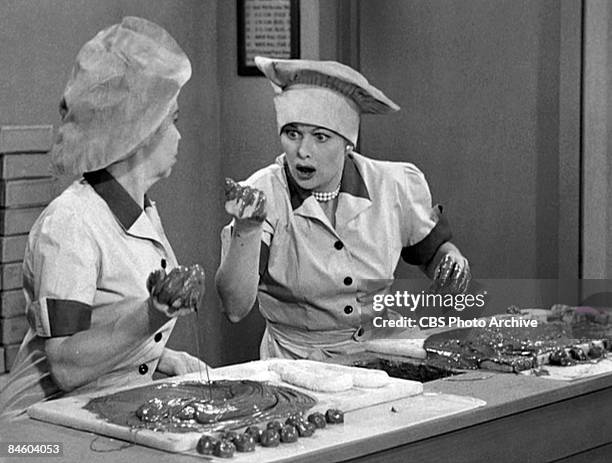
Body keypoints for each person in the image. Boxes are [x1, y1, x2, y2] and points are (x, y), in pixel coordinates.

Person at [0, 17, 207, 417]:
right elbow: (65, 364)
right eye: (174, 122)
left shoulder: (139, 209)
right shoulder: (70, 224)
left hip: (99, 412)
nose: (179, 137)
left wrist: (159, 359)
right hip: (35, 439)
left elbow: (109, 323)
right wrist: (154, 314)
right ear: (140, 132)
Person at [216, 57, 471, 360]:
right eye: (292, 133)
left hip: (383, 349)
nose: (303, 151)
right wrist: (246, 229)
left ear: (348, 142)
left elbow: (434, 252)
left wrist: (451, 261)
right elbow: (234, 307)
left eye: (320, 137)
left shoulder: (393, 185)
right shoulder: (263, 194)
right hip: (299, 361)